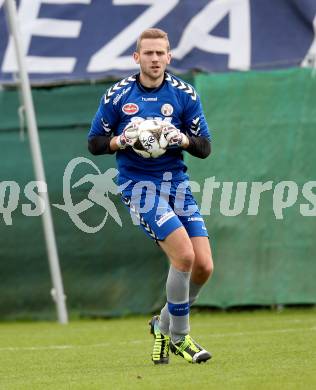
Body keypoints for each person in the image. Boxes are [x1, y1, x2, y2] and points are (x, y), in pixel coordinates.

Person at [88, 28, 214, 365]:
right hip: (138, 185)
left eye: (161, 53)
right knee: (184, 256)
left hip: (177, 185)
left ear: (169, 57)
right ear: (137, 57)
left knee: (203, 266)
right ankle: (181, 339)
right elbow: (95, 142)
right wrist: (122, 140)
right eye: (149, 53)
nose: (155, 59)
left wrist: (180, 139)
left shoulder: (184, 95)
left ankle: (162, 324)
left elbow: (204, 147)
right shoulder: (117, 96)